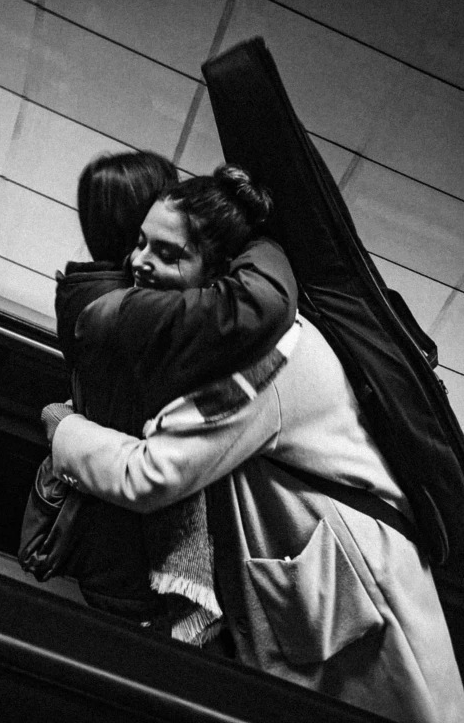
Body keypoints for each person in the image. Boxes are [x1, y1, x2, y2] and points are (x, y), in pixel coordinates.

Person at [45, 173, 464, 722]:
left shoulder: (262, 362)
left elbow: (151, 476)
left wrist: (64, 430)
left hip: (364, 614)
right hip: (327, 599)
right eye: (142, 242)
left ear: (216, 272)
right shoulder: (234, 340)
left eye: (169, 253)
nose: (140, 261)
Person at [38, 151, 298, 641]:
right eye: (144, 238)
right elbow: (257, 304)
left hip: (113, 548)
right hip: (137, 561)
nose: (144, 259)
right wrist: (253, 233)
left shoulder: (87, 287)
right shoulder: (129, 312)